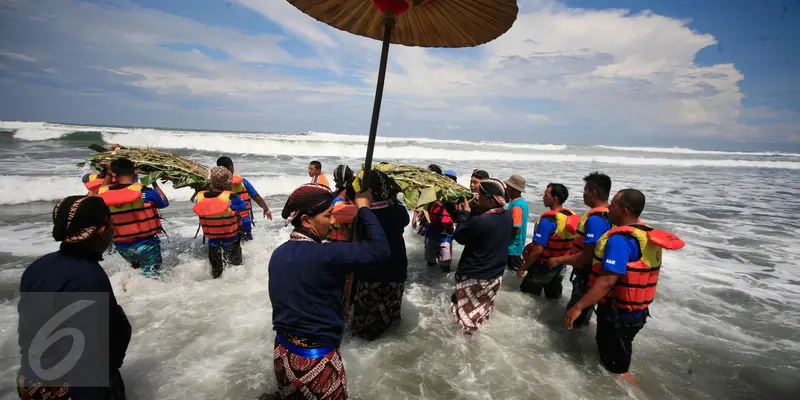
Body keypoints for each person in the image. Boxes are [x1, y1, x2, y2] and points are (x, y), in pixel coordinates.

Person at [265, 184, 389, 399]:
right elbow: (380, 249)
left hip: (283, 353)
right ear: (306, 221)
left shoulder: (279, 253)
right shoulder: (329, 254)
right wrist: (364, 208)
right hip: (317, 360)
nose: (333, 222)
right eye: (328, 215)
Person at [17, 196, 130, 399]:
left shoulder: (39, 267)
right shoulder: (87, 278)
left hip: (32, 379)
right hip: (71, 387)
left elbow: (29, 328)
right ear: (103, 230)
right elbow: (88, 353)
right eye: (112, 223)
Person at [565, 189, 684, 380]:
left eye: (613, 204)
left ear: (625, 210)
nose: (609, 206)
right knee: (615, 360)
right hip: (635, 312)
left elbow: (607, 280)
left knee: (615, 372)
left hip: (618, 316)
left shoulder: (620, 241)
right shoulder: (644, 233)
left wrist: (578, 307)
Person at [547, 172, 612, 328]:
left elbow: (587, 256)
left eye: (585, 190)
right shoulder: (610, 214)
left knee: (572, 322)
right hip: (599, 276)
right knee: (582, 319)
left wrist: (558, 260)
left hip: (587, 278)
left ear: (593, 192)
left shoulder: (596, 220)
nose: (583, 194)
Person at [351, 171, 410, 340]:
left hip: (371, 274)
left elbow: (357, 242)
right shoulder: (399, 211)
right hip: (396, 271)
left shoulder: (365, 215)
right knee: (390, 317)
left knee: (365, 320)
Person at [450, 178, 513, 333]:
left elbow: (459, 236)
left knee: (465, 322)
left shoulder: (482, 221)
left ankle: (466, 352)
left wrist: (464, 213)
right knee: (480, 314)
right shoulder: (507, 216)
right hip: (494, 276)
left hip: (475, 276)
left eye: (481, 195)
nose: (478, 197)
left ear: (491, 199)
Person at [98, 158, 168, 278]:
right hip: (147, 246)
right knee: (153, 278)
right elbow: (164, 202)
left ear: (114, 174)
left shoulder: (104, 194)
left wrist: (109, 172)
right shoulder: (145, 192)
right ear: (135, 172)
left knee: (137, 273)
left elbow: (102, 189)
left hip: (123, 248)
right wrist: (154, 182)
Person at [517, 183, 579, 299]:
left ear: (555, 199)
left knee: (526, 298)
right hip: (559, 267)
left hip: (542, 267)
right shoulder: (570, 216)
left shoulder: (547, 221)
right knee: (553, 299)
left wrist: (523, 267)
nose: (543, 198)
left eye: (546, 195)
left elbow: (537, 250)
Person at [194, 167, 248, 279]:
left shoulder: (200, 196)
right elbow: (242, 206)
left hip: (213, 243)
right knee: (235, 271)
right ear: (227, 183)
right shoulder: (231, 197)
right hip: (231, 241)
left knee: (216, 273)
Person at [216, 156, 272, 241]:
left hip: (226, 222)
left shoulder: (215, 185)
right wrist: (266, 209)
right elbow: (256, 197)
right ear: (231, 167)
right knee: (246, 243)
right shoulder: (242, 182)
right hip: (244, 221)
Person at [504, 174, 529, 271]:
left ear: (514, 189)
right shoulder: (522, 202)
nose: (506, 189)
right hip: (517, 246)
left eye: (508, 187)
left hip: (513, 248)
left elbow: (516, 228)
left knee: (515, 273)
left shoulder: (516, 206)